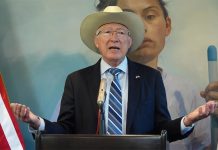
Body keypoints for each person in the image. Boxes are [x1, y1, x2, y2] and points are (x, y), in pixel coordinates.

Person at [11, 6, 217, 143]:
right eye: (107, 32)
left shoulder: (150, 78)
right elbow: (66, 129)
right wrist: (36, 121)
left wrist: (188, 120)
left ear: (130, 42)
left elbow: (162, 130)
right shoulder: (77, 80)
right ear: (96, 41)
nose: (114, 38)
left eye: (121, 32)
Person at [95, 0, 218, 149]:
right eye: (128, 19)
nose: (142, 28)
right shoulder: (83, 84)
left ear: (167, 25)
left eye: (150, 16)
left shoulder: (188, 92)